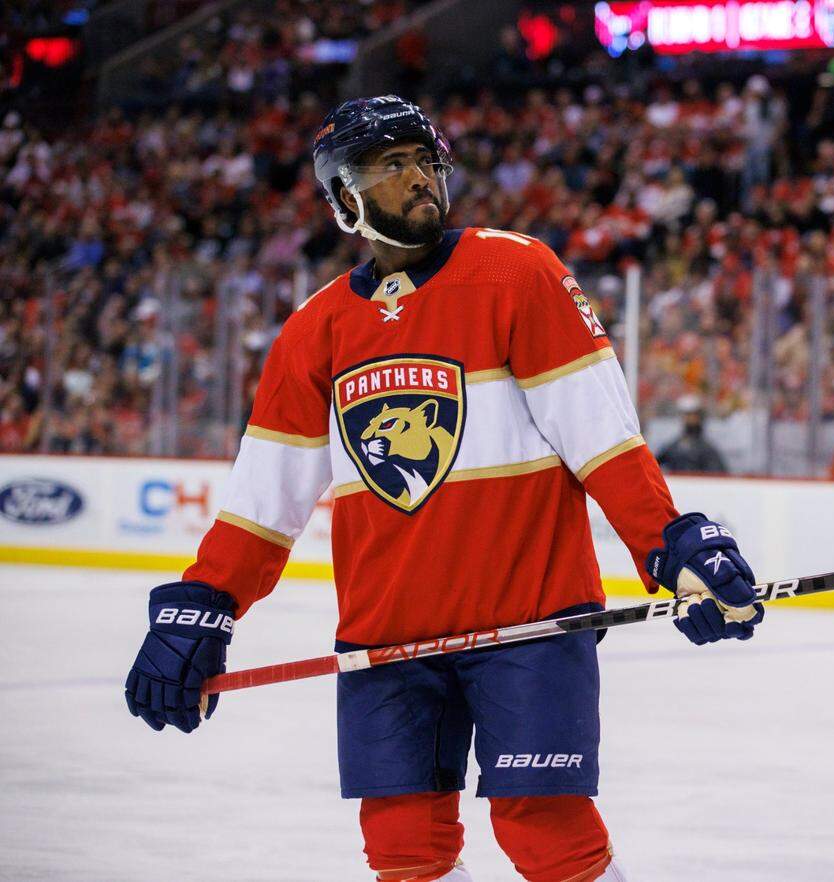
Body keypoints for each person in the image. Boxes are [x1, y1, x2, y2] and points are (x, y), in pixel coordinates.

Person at [123, 96, 764, 882]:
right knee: (403, 848)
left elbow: (604, 440)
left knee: (547, 834)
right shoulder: (313, 330)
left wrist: (671, 546)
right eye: (391, 165)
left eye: (426, 161)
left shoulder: (516, 271)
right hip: (387, 635)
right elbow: (264, 504)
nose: (419, 177)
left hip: (529, 620)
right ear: (344, 198)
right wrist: (203, 604)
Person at [657, 396, 728, 473]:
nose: (689, 418)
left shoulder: (707, 447)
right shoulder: (675, 445)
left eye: (692, 415)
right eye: (686, 415)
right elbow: (657, 461)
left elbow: (718, 472)